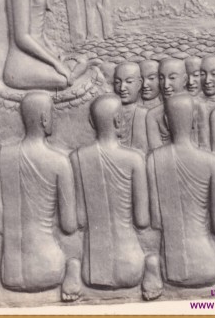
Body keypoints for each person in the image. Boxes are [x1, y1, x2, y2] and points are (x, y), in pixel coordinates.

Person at [0, 92, 81, 301]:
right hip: (49, 269)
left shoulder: (2, 157)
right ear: (44, 119)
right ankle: (73, 270)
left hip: (10, 273)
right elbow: (68, 226)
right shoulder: (59, 162)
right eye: (52, 114)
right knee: (75, 256)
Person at [147, 95, 215, 288]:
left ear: (166, 122)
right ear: (194, 122)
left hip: (171, 268)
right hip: (207, 265)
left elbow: (156, 221)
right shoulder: (212, 162)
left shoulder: (153, 160)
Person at [71, 95, 160, 295]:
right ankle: (152, 265)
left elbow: (80, 219)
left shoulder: (77, 158)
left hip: (93, 270)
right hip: (131, 266)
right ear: (119, 120)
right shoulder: (134, 159)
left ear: (91, 121)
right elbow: (142, 221)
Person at [146, 58, 208, 150]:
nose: (166, 85)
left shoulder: (198, 107)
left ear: (184, 80)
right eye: (161, 78)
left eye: (172, 78)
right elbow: (155, 152)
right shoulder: (153, 115)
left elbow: (205, 146)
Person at [113, 62, 148, 153]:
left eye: (129, 82)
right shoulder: (108, 113)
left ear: (139, 84)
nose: (122, 88)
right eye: (117, 82)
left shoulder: (145, 114)